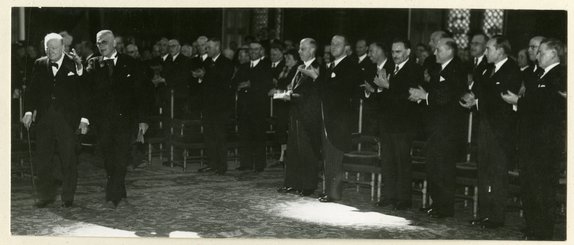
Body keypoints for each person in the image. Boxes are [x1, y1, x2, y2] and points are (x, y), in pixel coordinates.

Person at [500, 38, 566, 240]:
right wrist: (520, 102)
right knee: (529, 188)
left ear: (554, 54)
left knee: (543, 190)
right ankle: (533, 229)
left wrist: (519, 101)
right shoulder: (538, 74)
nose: (537, 56)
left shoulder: (561, 75)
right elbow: (534, 103)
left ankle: (543, 234)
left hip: (545, 144)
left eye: (542, 52)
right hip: (530, 141)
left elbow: (549, 106)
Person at [460, 35, 522, 229]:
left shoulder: (511, 69)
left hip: (500, 131)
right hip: (486, 126)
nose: (486, 52)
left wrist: (477, 102)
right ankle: (484, 213)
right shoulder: (487, 69)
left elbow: (503, 99)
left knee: (496, 173)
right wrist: (472, 98)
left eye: (489, 49)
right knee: (484, 172)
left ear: (501, 50)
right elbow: (481, 91)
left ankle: (495, 217)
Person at [85, 30, 153, 208]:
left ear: (114, 43)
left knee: (121, 157)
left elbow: (141, 93)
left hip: (125, 120)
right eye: (99, 43)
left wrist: (143, 119)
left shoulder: (131, 63)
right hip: (103, 121)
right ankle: (120, 192)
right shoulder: (93, 63)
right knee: (108, 159)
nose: (101, 46)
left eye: (105, 42)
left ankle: (112, 196)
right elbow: (86, 92)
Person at [22, 33, 89, 208]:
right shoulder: (39, 64)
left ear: (63, 48)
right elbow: (32, 91)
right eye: (48, 49)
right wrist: (29, 111)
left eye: (55, 49)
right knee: (43, 159)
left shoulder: (74, 63)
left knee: (68, 158)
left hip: (67, 120)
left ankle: (68, 196)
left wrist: (84, 119)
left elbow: (84, 92)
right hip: (44, 119)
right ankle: (46, 195)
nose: (51, 52)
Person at [409, 38, 467, 218]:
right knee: (434, 166)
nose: (435, 53)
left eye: (439, 50)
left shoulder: (457, 69)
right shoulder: (439, 69)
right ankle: (437, 203)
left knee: (444, 168)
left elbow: (446, 97)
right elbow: (434, 95)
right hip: (435, 127)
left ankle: (445, 207)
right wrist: (422, 96)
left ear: (450, 51)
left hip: (447, 128)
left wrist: (425, 96)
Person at [375, 38, 423, 210]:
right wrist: (379, 89)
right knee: (387, 161)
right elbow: (383, 96)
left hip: (404, 124)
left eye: (399, 52)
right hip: (387, 123)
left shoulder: (415, 69)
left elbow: (409, 96)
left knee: (402, 161)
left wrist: (388, 86)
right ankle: (389, 195)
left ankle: (404, 199)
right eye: (393, 52)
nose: (395, 55)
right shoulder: (388, 68)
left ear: (408, 52)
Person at [317, 35, 361, 203]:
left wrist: (318, 80)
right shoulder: (331, 65)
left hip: (340, 119)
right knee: (328, 155)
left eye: (338, 44)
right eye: (332, 43)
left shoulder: (350, 66)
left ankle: (333, 193)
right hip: (328, 117)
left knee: (335, 155)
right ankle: (329, 190)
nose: (334, 46)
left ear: (346, 47)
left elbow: (341, 91)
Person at [276, 38, 322, 196]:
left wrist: (292, 96)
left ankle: (308, 185)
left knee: (307, 151)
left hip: (308, 116)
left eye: (303, 49)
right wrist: (288, 93)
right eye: (300, 48)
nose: (299, 51)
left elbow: (312, 95)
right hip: (295, 114)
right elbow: (294, 87)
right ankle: (292, 183)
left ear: (312, 51)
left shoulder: (317, 68)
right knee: (294, 150)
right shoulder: (300, 67)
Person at [233, 41, 273, 173]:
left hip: (258, 107)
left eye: (256, 50)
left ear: (261, 51)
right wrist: (241, 85)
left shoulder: (265, 66)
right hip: (244, 107)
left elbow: (266, 85)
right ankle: (246, 163)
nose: (253, 52)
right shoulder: (244, 67)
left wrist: (250, 84)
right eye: (250, 50)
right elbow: (235, 82)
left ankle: (259, 164)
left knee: (258, 136)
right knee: (244, 135)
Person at [200, 38, 235, 175]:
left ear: (217, 48)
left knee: (220, 136)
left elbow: (223, 79)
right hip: (208, 105)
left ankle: (221, 165)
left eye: (209, 47)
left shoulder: (226, 63)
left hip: (221, 106)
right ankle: (212, 163)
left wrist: (206, 75)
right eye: (206, 47)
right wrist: (200, 77)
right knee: (209, 136)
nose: (206, 49)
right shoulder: (207, 62)